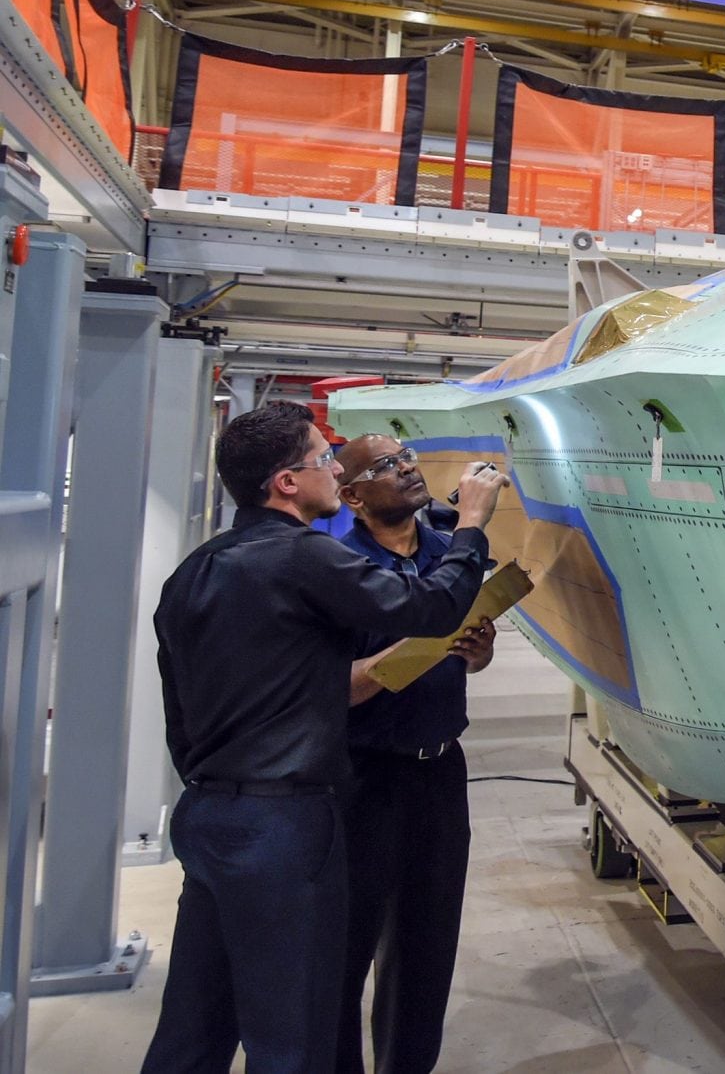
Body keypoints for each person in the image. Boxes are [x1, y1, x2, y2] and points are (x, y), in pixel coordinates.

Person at [141, 402, 508, 1074]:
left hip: (209, 812)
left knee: (195, 1028)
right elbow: (428, 609)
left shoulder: (194, 572)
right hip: (286, 821)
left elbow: (179, 708)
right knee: (296, 1036)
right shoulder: (306, 557)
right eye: (322, 460)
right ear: (285, 482)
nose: (334, 471)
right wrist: (475, 520)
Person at [331, 435, 499, 1074]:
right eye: (384, 467)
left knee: (425, 950)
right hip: (363, 776)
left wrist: (475, 651)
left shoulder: (446, 554)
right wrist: (406, 654)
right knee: (345, 948)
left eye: (405, 458)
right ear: (351, 496)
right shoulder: (338, 565)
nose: (405, 469)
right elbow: (323, 688)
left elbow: (472, 655)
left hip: (439, 772)